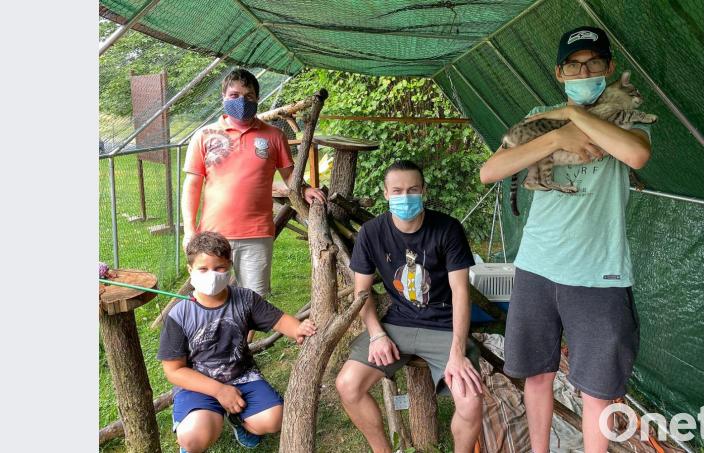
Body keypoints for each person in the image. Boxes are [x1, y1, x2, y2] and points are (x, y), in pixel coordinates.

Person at [479, 26, 651, 453]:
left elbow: (636, 155)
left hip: (600, 274)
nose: (584, 72)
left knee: (597, 390)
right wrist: (557, 135)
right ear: (560, 73)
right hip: (537, 266)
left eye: (594, 63)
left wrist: (575, 115)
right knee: (537, 374)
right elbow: (491, 171)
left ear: (609, 68)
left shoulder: (623, 115)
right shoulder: (542, 116)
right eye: (574, 65)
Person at [335, 160, 484, 453]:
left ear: (424, 191)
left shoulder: (447, 229)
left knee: (471, 402)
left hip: (444, 326)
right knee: (347, 385)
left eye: (413, 189)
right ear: (386, 194)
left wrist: (457, 353)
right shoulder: (371, 233)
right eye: (398, 191)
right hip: (396, 324)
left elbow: (460, 292)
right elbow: (361, 292)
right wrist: (377, 334)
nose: (406, 197)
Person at [158, 231, 317, 452]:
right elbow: (174, 371)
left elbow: (279, 320)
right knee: (193, 437)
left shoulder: (245, 299)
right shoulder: (179, 314)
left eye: (219, 268)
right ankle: (195, 427)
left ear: (230, 267)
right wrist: (219, 391)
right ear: (190, 270)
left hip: (242, 375)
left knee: (274, 419)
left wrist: (298, 328)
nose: (212, 275)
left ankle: (239, 422)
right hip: (198, 385)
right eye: (203, 269)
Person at [181, 68, 326, 299]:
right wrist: (189, 230)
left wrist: (305, 188)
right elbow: (192, 184)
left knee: (253, 300)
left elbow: (289, 174)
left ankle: (244, 327)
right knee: (210, 297)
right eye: (234, 95)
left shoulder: (274, 136)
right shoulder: (204, 136)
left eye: (248, 96)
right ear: (223, 97)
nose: (242, 101)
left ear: (257, 98)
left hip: (256, 234)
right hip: (213, 234)